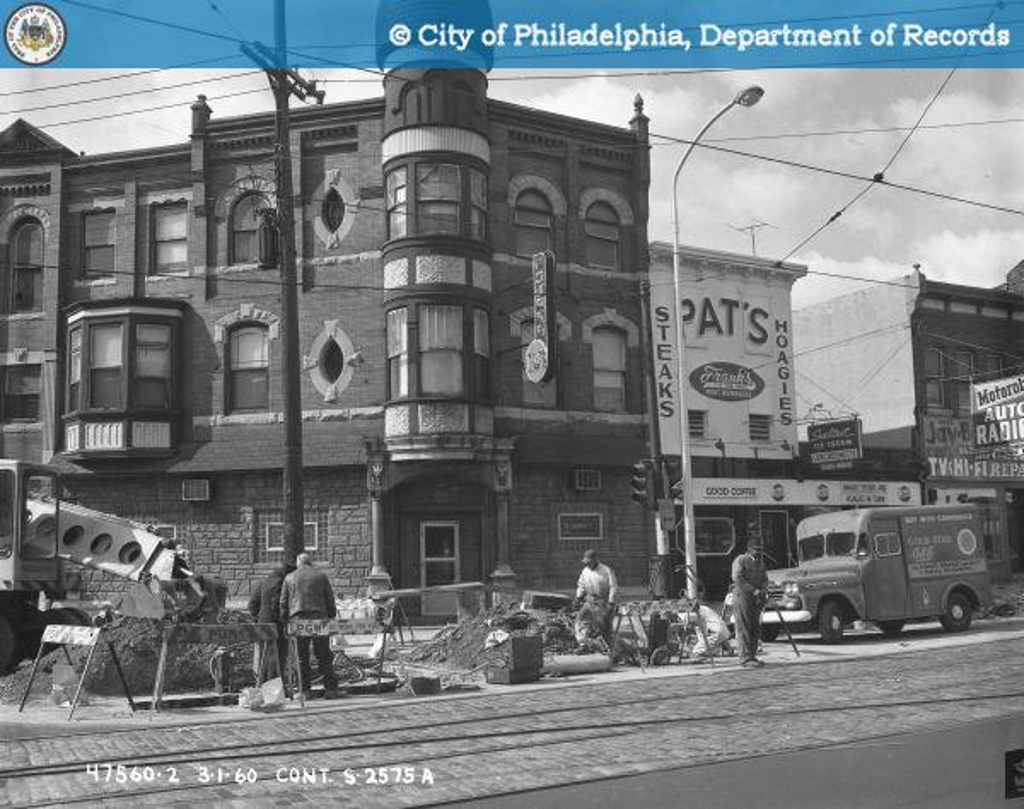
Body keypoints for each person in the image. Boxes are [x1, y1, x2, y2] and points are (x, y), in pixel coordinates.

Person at [279, 553, 341, 699]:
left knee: (301, 657)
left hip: (298, 620)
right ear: (310, 563)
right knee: (324, 655)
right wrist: (331, 615)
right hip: (319, 619)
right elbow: (329, 598)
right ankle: (330, 689)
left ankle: (304, 690)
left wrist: (284, 621)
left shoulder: (289, 578)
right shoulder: (321, 576)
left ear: (298, 563)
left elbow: (283, 602)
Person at [248, 562, 291, 683]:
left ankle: (263, 684)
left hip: (263, 624)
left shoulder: (261, 583)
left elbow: (252, 605)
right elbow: (280, 605)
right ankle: (277, 685)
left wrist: (258, 618)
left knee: (263, 656)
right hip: (278, 625)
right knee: (280, 656)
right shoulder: (283, 584)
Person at [731, 533, 768, 668]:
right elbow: (738, 578)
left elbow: (765, 579)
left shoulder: (760, 563)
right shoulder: (740, 560)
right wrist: (753, 590)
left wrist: (763, 590)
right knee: (744, 627)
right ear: (749, 549)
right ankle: (744, 658)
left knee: (754, 628)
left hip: (756, 599)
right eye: (756, 549)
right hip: (743, 597)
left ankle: (752, 655)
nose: (758, 552)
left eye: (760, 549)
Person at [573, 549, 619, 649]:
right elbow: (581, 585)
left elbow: (613, 587)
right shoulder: (585, 571)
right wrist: (578, 597)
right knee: (580, 620)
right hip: (589, 601)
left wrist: (611, 603)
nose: (588, 564)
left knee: (604, 627)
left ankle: (613, 650)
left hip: (603, 601)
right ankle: (583, 644)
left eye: (589, 562)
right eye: (586, 563)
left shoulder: (606, 570)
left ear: (595, 560)